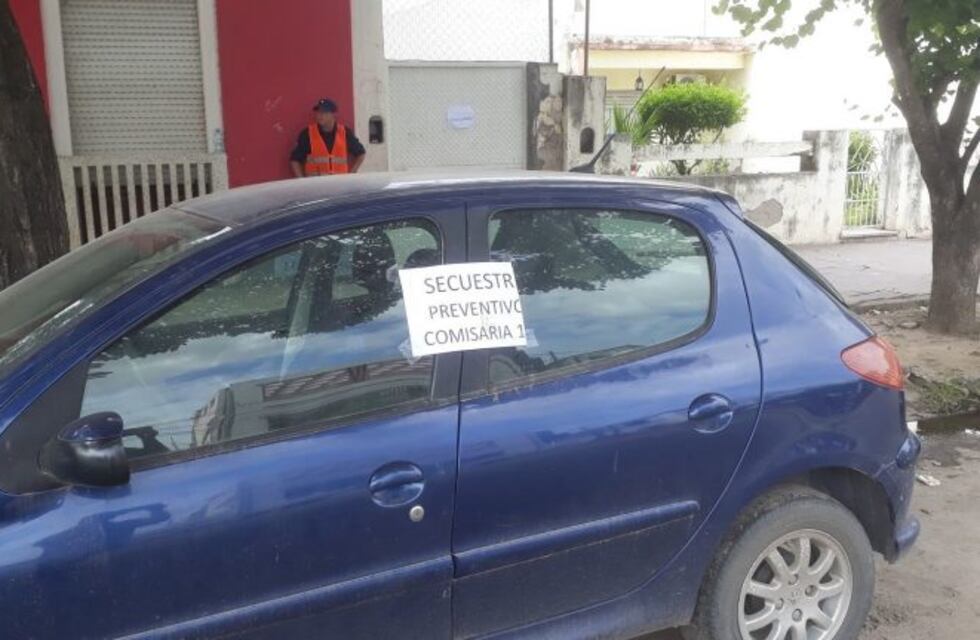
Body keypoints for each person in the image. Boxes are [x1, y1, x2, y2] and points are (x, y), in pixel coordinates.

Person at [290, 98, 366, 177]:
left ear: (333, 114)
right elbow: (294, 160)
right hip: (316, 183)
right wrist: (302, 181)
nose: (320, 115)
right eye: (318, 112)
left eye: (324, 112)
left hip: (339, 183)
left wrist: (351, 176)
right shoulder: (308, 133)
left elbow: (361, 153)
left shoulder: (345, 132)